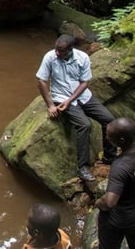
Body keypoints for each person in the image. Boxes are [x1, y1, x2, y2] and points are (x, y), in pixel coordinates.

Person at [36, 34, 116, 182]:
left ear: (71, 49)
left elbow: (85, 82)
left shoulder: (82, 58)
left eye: (62, 51)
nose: (58, 53)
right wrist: (51, 105)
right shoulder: (50, 57)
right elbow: (41, 81)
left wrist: (70, 100)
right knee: (84, 125)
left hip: (82, 95)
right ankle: (82, 167)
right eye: (57, 50)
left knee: (109, 120)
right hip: (60, 96)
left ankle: (110, 157)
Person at [96, 117, 135, 249]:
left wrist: (99, 202)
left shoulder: (120, 166)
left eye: (108, 135)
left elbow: (110, 202)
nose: (106, 137)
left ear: (121, 141)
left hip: (117, 220)